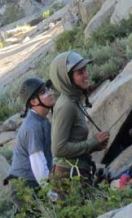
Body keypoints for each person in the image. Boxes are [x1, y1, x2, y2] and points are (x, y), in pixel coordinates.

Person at [49, 51, 109, 184]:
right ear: (67, 79)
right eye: (80, 72)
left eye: (85, 70)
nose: (86, 74)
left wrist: (95, 146)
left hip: (76, 175)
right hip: (69, 179)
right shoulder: (66, 106)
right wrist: (92, 143)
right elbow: (58, 149)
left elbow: (72, 141)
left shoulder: (73, 100)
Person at [6, 77, 56, 210]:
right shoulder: (33, 126)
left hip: (33, 182)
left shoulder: (42, 120)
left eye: (48, 89)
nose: (50, 92)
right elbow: (38, 164)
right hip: (25, 186)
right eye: (43, 92)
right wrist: (52, 194)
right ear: (33, 101)